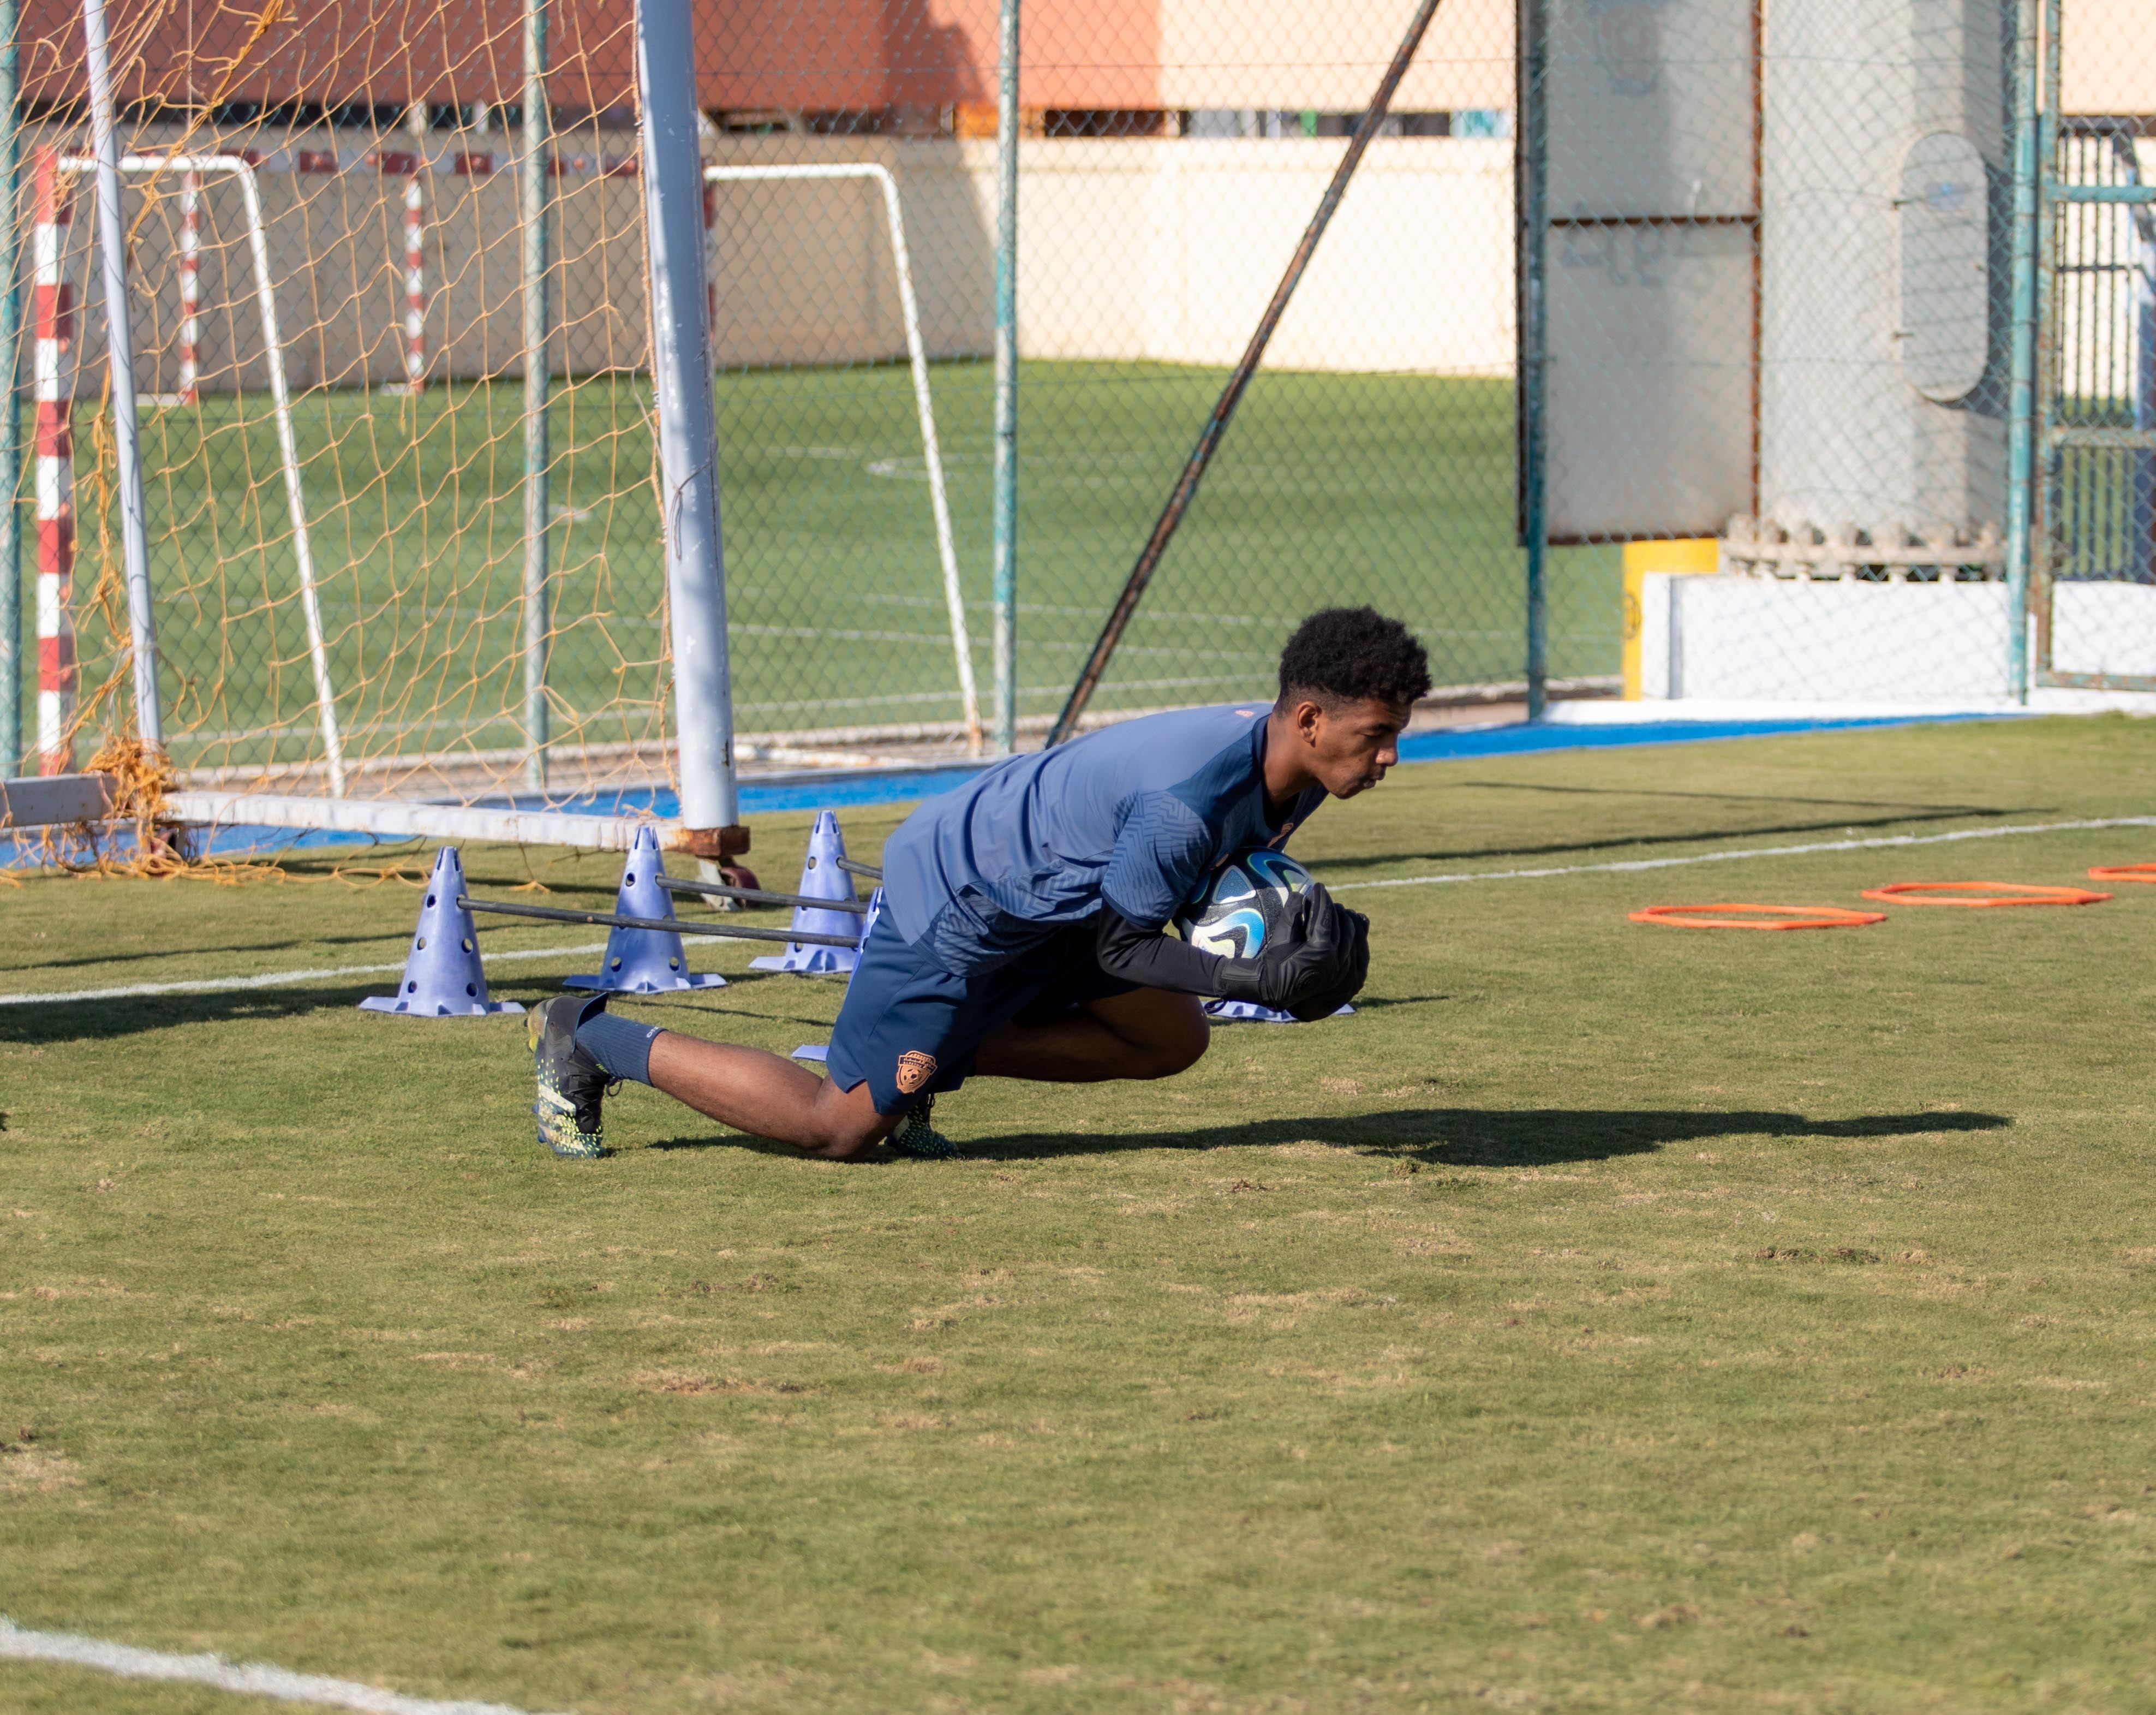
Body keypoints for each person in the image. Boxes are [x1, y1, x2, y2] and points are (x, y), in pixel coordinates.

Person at [528, 605, 1431, 1161]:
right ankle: (592, 1035)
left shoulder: (1297, 769)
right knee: (837, 1127)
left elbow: (1184, 895)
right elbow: (1128, 941)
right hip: (965, 899)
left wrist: (1285, 941)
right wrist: (1256, 981)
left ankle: (924, 1064)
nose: (1390, 755)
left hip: (1060, 906)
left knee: (1171, 1039)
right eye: (1377, 733)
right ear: (1309, 717)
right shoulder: (1185, 800)